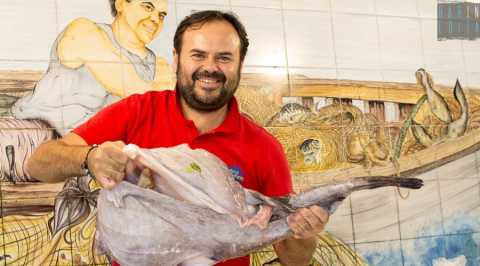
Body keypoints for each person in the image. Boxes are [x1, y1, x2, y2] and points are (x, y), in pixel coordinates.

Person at [26, 10, 329, 266]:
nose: (210, 67)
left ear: (240, 65)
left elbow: (295, 259)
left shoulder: (264, 148)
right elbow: (39, 163)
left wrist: (303, 231)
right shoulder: (136, 111)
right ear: (175, 59)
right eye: (198, 55)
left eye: (224, 57)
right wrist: (89, 157)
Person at [10, 0, 174, 136]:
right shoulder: (83, 32)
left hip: (89, 154)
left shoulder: (154, 63)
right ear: (121, 4)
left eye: (161, 15)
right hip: (31, 134)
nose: (155, 19)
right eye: (147, 6)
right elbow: (135, 88)